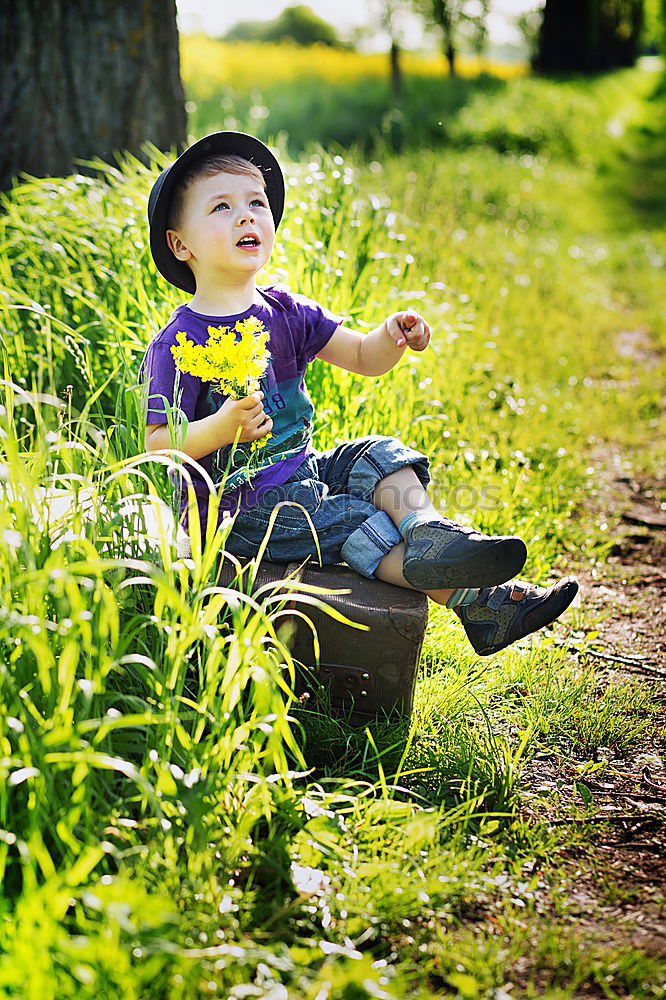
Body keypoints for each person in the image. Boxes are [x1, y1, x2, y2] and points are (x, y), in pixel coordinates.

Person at [140, 131, 578, 657]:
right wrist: (222, 428)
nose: (246, 216)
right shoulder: (177, 342)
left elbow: (363, 357)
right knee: (357, 521)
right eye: (222, 207)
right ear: (180, 244)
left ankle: (427, 531)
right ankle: (482, 604)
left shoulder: (286, 311)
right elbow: (158, 445)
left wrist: (392, 335)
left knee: (378, 454)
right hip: (242, 509)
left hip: (302, 470)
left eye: (257, 202)